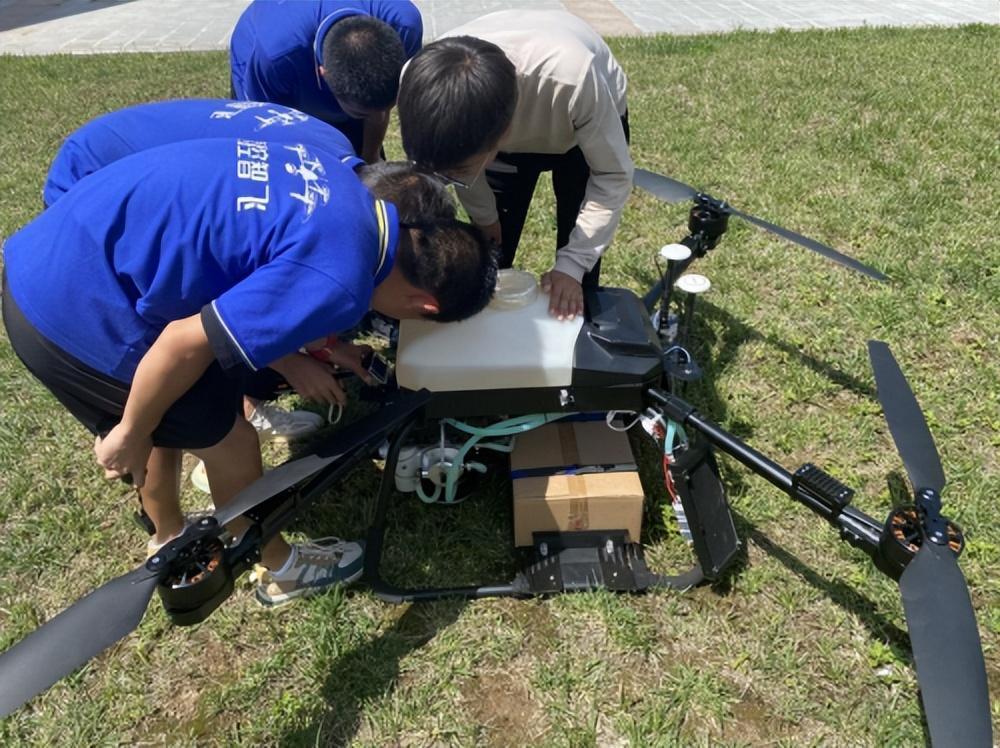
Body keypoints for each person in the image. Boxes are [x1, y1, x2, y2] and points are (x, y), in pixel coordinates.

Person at [2, 138, 496, 606]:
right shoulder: (344, 277)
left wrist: (320, 348)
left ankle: (167, 539)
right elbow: (181, 343)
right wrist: (130, 431)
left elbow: (255, 271)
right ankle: (280, 568)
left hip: (63, 242)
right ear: (424, 304)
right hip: (74, 304)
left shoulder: (348, 186)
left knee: (180, 408)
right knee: (228, 438)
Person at [42, 99, 456, 459]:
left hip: (144, 171)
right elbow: (217, 304)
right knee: (162, 376)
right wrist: (292, 363)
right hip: (94, 179)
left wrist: (327, 347)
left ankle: (222, 419)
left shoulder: (332, 172)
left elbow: (251, 280)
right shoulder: (334, 229)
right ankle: (199, 455)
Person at [397, 10, 634, 322]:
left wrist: (573, 265)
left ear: (505, 135)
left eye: (464, 169)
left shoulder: (574, 77)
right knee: (493, 252)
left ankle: (577, 337)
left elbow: (612, 175)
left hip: (580, 123)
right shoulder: (420, 80)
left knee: (575, 273)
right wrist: (484, 216)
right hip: (496, 126)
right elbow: (456, 169)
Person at [229, 0, 422, 163]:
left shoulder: (404, 26)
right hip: (266, 57)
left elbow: (376, 112)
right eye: (364, 113)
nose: (380, 117)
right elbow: (268, 136)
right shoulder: (274, 59)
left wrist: (370, 157)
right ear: (324, 75)